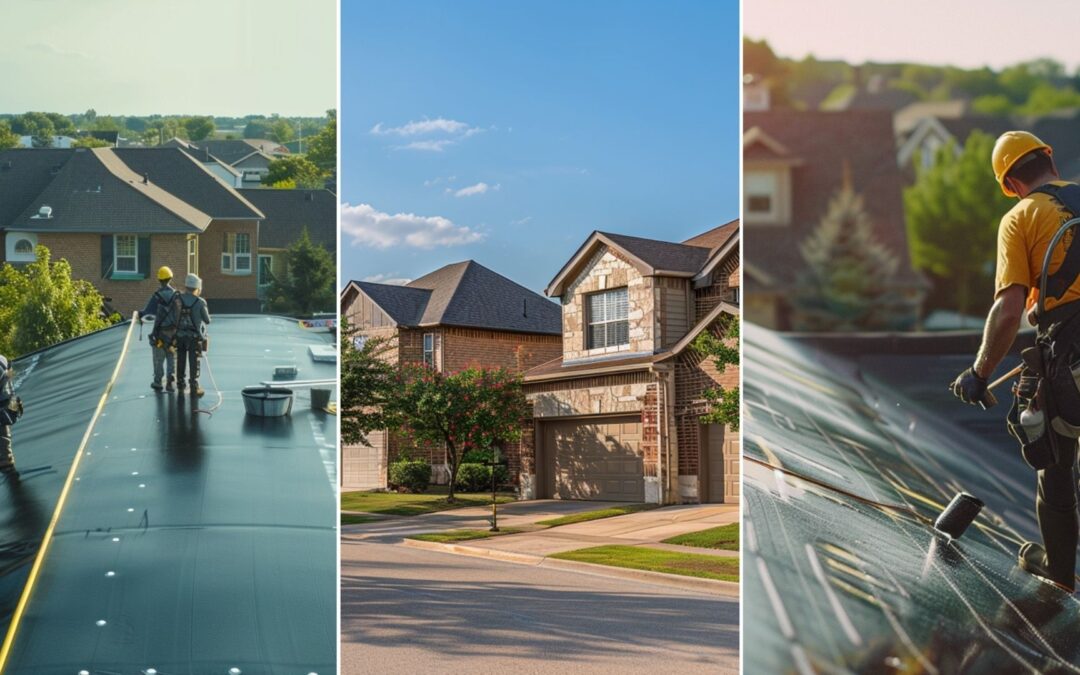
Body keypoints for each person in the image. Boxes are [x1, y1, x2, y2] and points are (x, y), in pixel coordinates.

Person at [950, 130, 1080, 591]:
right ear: (1051, 160)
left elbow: (1008, 312)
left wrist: (979, 373)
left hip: (1069, 352)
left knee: (1053, 455)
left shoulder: (1021, 217)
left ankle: (1060, 572)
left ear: (1009, 184)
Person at [141, 266, 179, 392]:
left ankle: (158, 381)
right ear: (170, 278)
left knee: (158, 358)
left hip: (160, 334)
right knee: (171, 357)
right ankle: (170, 381)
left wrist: (139, 314)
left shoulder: (157, 296)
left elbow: (147, 313)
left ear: (159, 280)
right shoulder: (176, 296)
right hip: (173, 334)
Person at [173, 273, 211, 397]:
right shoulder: (200, 302)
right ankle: (194, 385)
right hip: (194, 336)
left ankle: (180, 383)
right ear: (197, 288)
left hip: (179, 335)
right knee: (193, 360)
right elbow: (207, 320)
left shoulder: (177, 299)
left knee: (181, 358)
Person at [0, 355, 24, 474]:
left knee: (3, 424)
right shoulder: (2, 360)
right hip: (7, 397)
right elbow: (10, 374)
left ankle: (6, 458)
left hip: (4, 399)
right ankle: (6, 457)